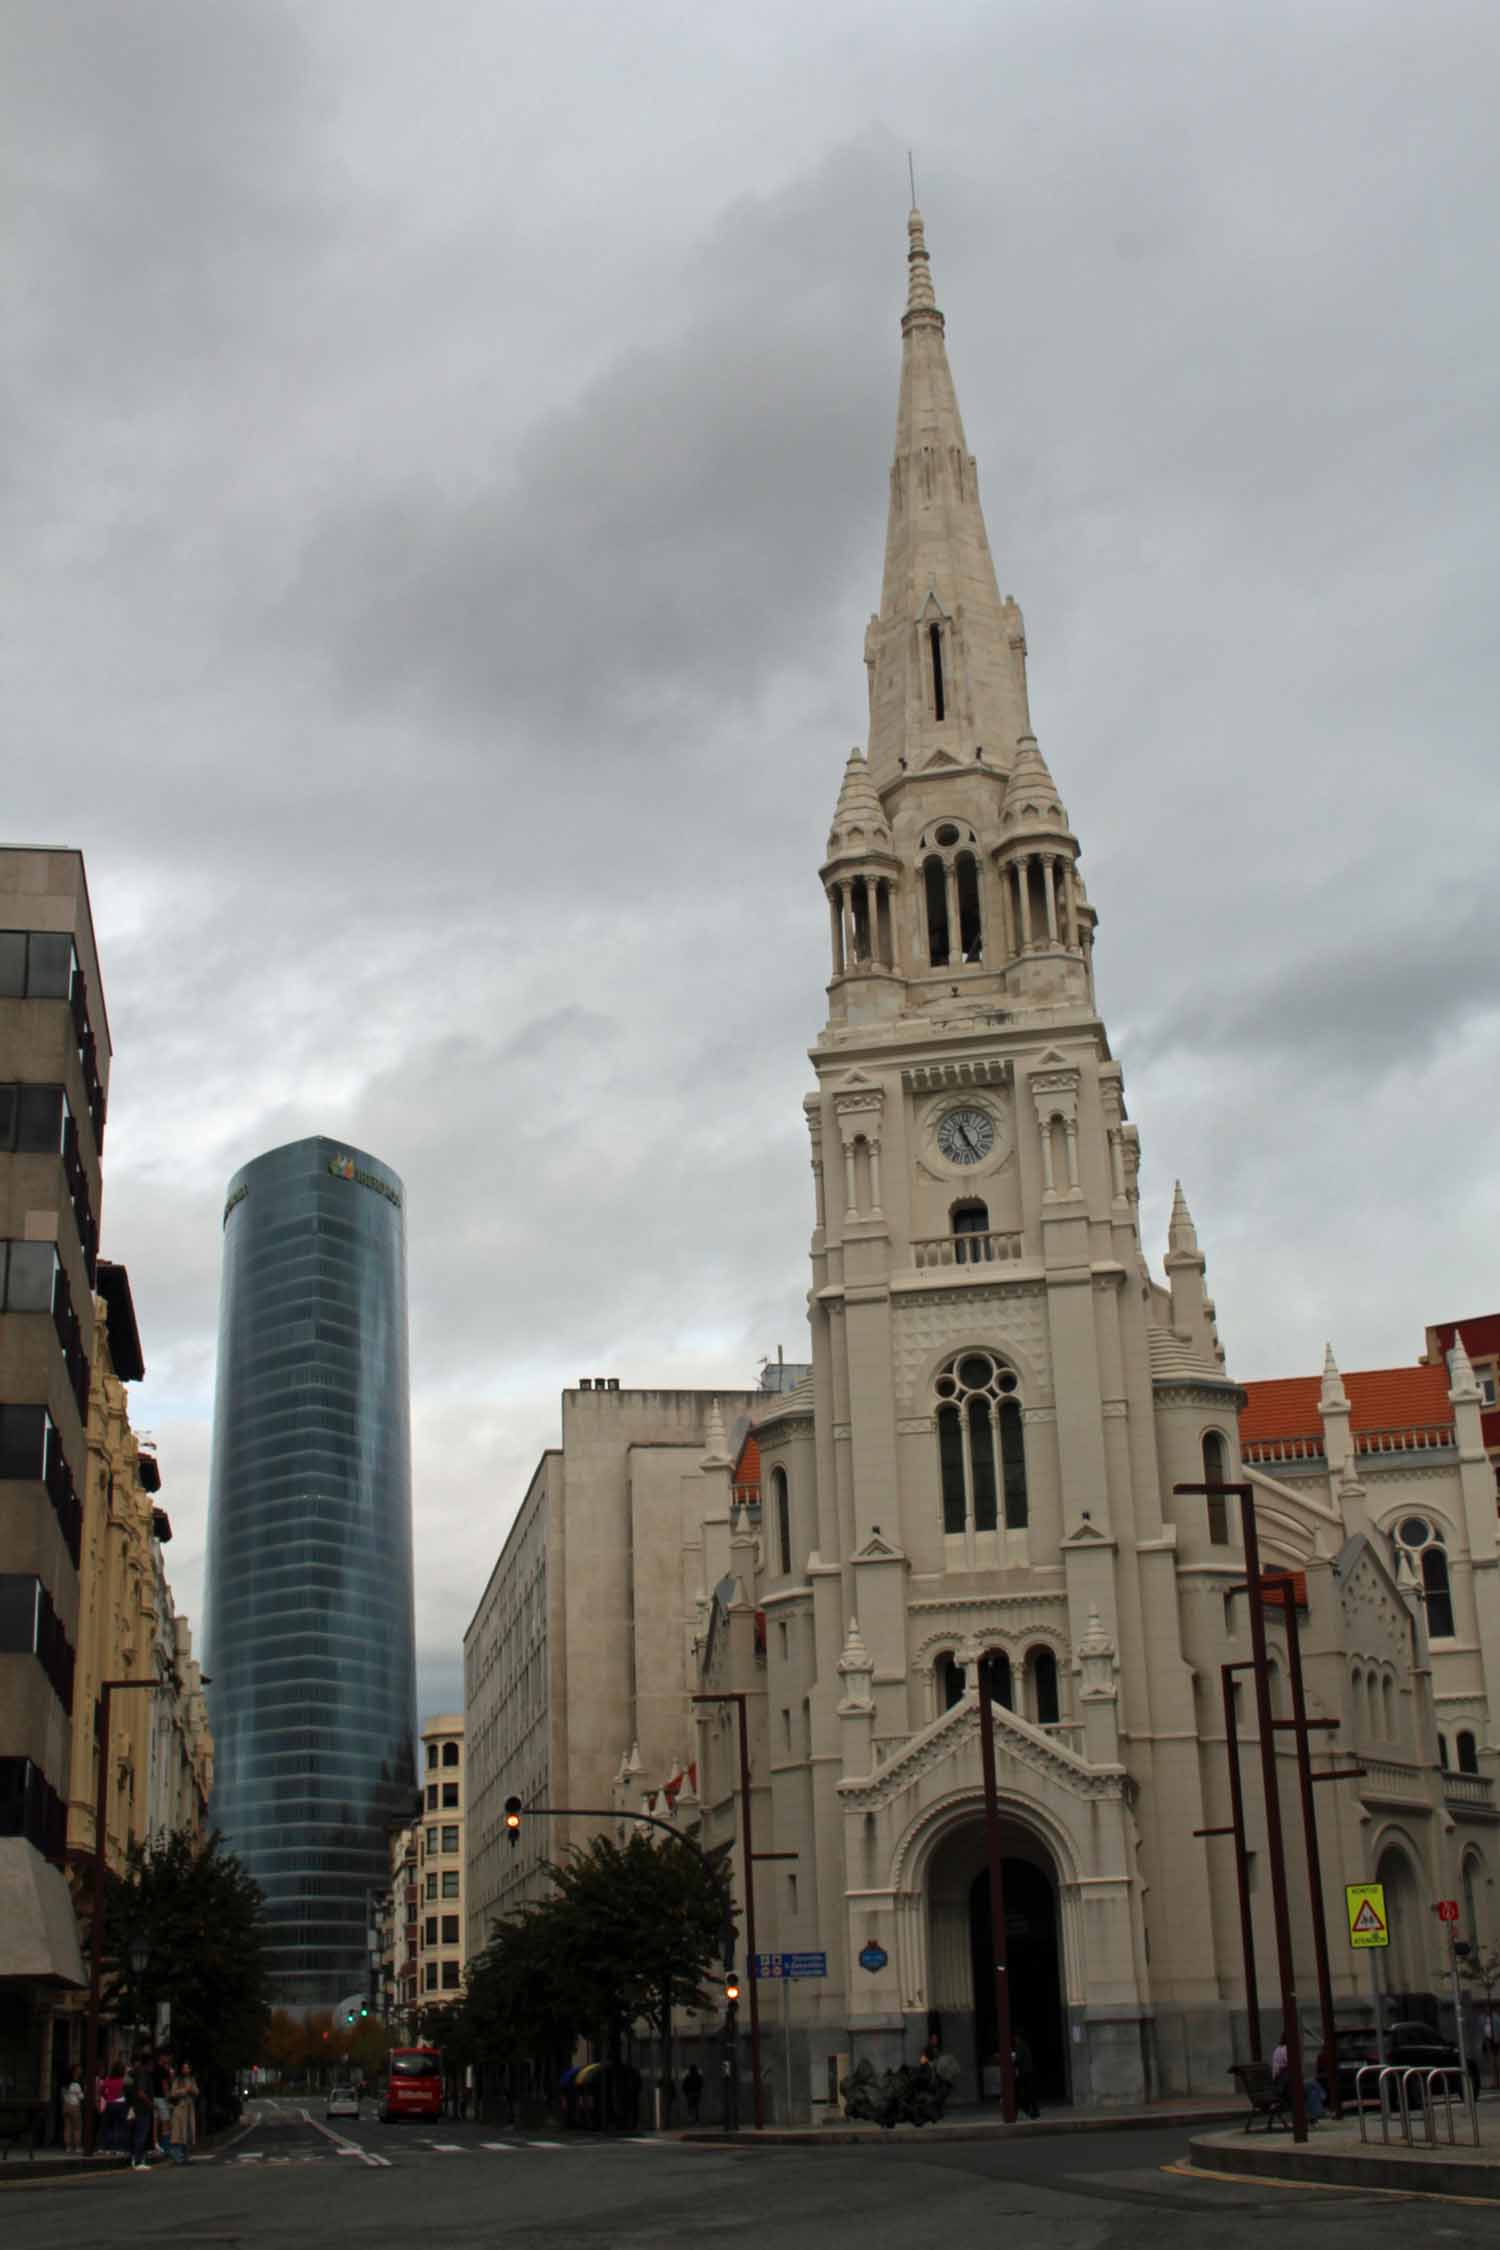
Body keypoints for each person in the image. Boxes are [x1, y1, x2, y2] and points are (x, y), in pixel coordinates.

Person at [1271, 2037, 1325, 2122]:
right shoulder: (1287, 2049)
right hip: (1288, 2087)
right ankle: (1322, 2096)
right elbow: (1292, 2066)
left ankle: (1313, 2115)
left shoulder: (1277, 2049)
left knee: (1312, 2092)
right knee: (1312, 2084)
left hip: (1285, 2085)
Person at [124, 2057, 154, 2168]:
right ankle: (138, 2161)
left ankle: (134, 2158)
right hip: (143, 2108)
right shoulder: (143, 2074)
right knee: (141, 2134)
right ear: (148, 2064)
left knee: (135, 2134)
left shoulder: (132, 2074)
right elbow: (141, 2092)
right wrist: (150, 2104)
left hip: (133, 2107)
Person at [168, 2061, 199, 2165]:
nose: (186, 2070)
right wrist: (184, 2090)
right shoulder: (177, 2080)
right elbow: (173, 2093)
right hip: (180, 2109)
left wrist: (192, 2090)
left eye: (188, 2068)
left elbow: (196, 2091)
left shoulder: (192, 2079)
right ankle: (178, 2157)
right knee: (178, 2133)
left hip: (189, 2109)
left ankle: (186, 2157)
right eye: (184, 2068)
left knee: (188, 2133)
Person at [1012, 2030, 1040, 2120]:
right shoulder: (1024, 2045)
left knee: (1025, 2092)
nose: (1014, 2040)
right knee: (1029, 2092)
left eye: (1015, 2038)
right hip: (1028, 2072)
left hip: (1025, 2072)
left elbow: (1018, 2059)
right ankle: (1032, 2111)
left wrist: (1012, 2060)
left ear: (1018, 2038)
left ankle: (1029, 2110)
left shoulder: (1020, 2046)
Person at [60, 2072, 84, 2154]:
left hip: (66, 2106)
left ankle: (68, 2147)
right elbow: (81, 2097)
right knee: (77, 2128)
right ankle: (77, 2147)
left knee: (67, 2128)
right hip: (74, 2106)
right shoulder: (76, 2085)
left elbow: (62, 2097)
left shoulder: (63, 2086)